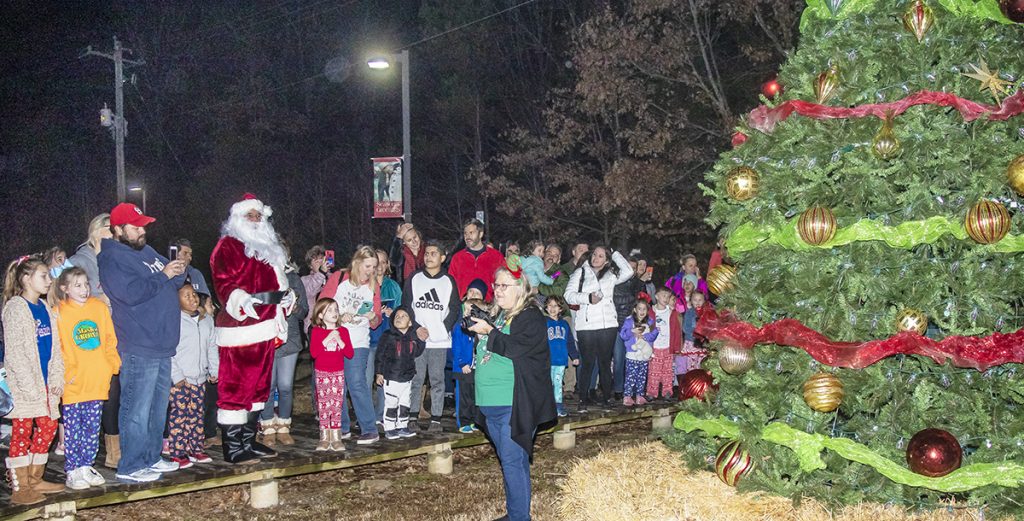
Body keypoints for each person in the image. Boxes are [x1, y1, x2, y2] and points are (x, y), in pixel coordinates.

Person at [99, 202, 188, 483]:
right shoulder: (113, 258)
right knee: (136, 408)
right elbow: (131, 293)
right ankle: (131, 465)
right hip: (139, 343)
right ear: (118, 229)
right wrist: (164, 275)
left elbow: (172, 282)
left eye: (143, 226)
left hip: (161, 344)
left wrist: (179, 269)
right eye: (135, 227)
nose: (142, 231)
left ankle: (150, 457)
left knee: (157, 407)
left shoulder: (146, 251)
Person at [209, 194, 295, 463]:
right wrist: (241, 300)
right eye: (250, 216)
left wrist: (287, 296)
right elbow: (223, 282)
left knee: (259, 388)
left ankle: (248, 440)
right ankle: (233, 447)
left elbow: (278, 281)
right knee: (237, 387)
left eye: (259, 216)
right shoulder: (228, 246)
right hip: (241, 327)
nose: (256, 221)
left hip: (267, 325)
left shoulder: (268, 247)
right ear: (238, 218)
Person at [467, 265, 557, 521]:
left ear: (521, 288)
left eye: (504, 285)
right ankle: (517, 514)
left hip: (513, 404)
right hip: (491, 403)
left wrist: (489, 332)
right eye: (496, 285)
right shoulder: (500, 315)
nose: (497, 290)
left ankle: (519, 517)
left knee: (512, 463)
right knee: (513, 463)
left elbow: (517, 349)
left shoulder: (530, 316)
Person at [2, 256, 66, 504]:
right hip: (26, 388)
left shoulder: (45, 307)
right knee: (22, 432)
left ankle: (35, 477)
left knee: (49, 426)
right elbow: (15, 354)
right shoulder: (16, 308)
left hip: (47, 385)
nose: (49, 280)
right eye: (44, 276)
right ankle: (20, 487)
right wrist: (30, 387)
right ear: (26, 278)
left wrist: (57, 377)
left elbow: (55, 349)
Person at [52, 267, 119, 490]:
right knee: (73, 428)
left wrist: (111, 365)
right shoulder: (59, 311)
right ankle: (72, 469)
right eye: (77, 285)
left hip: (97, 378)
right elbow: (57, 347)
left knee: (92, 427)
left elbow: (110, 338)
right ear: (65, 288)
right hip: (73, 382)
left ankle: (85, 466)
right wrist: (65, 373)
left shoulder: (98, 308)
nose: (84, 289)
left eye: (86, 284)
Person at [67, 213, 121, 468]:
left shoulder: (113, 257)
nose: (113, 233)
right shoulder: (79, 259)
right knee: (93, 396)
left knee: (114, 390)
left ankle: (113, 449)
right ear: (96, 231)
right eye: (109, 229)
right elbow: (61, 290)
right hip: (87, 338)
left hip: (113, 332)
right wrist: (99, 299)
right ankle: (80, 458)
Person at [320, 246, 382, 445]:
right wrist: (338, 316)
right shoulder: (339, 278)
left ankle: (370, 429)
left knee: (356, 382)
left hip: (358, 340)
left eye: (374, 267)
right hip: (335, 339)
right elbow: (322, 304)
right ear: (357, 262)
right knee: (338, 383)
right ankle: (342, 427)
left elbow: (377, 320)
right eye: (367, 266)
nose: (370, 271)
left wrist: (373, 317)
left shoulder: (373, 286)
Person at [563, 246, 633, 412]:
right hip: (586, 326)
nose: (596, 258)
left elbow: (629, 271)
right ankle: (583, 400)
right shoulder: (580, 273)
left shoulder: (611, 276)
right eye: (595, 254)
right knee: (587, 363)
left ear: (607, 260)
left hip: (607, 325)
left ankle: (606, 399)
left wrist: (615, 252)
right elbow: (568, 295)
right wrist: (588, 298)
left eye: (601, 256)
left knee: (604, 363)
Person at [402, 240, 460, 433]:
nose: (428, 257)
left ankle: (436, 419)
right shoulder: (415, 278)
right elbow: (407, 305)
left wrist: (442, 328)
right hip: (418, 339)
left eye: (433, 253)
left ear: (443, 258)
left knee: (437, 379)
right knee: (416, 378)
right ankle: (412, 416)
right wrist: (416, 327)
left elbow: (454, 309)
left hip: (439, 341)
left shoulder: (448, 281)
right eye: (426, 253)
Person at [259, 246, 308, 446]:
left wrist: (294, 306)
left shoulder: (294, 278)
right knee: (268, 386)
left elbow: (304, 311)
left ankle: (284, 426)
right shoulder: (261, 276)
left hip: (290, 339)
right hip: (267, 337)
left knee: (286, 386)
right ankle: (268, 426)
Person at [168, 284, 217, 468]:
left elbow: (211, 347)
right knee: (180, 415)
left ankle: (195, 448)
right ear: (177, 300)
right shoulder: (174, 320)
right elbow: (169, 350)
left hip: (200, 377)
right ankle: (177, 452)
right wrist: (177, 375)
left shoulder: (207, 320)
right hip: (181, 379)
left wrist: (214, 370)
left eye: (194, 294)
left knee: (197, 414)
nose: (192, 299)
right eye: (186, 296)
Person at [309, 298, 354, 451]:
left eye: (336, 309)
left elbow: (349, 353)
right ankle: (324, 436)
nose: (334, 313)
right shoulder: (317, 331)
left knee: (336, 404)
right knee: (324, 404)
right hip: (322, 374)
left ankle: (336, 436)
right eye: (330, 310)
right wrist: (327, 338)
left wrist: (339, 340)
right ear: (320, 315)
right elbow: (314, 353)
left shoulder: (343, 331)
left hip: (338, 373)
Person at [374, 306, 425, 439]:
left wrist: (422, 340)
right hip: (391, 376)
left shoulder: (412, 337)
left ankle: (402, 425)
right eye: (397, 316)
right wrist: (379, 372)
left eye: (403, 316)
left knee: (404, 403)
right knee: (391, 403)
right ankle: (390, 427)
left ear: (410, 322)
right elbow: (380, 355)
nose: (399, 318)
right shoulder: (388, 336)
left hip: (407, 377)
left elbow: (417, 352)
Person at [451, 280, 490, 433]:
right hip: (463, 369)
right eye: (467, 311)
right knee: (464, 396)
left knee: (475, 395)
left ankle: (474, 420)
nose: (468, 314)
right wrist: (461, 363)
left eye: (472, 311)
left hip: (476, 368)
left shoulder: (479, 328)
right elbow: (456, 347)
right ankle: (463, 421)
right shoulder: (460, 327)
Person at [611, 255, 646, 399]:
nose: (631, 271)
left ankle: (633, 389)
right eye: (629, 268)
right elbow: (618, 300)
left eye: (634, 268)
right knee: (619, 358)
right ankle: (619, 388)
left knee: (635, 357)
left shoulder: (638, 284)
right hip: (619, 325)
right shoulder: (617, 283)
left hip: (635, 325)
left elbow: (644, 303)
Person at [448, 219, 505, 299]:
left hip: (488, 306)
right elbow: (450, 285)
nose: (467, 237)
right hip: (464, 306)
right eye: (465, 233)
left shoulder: (496, 256)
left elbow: (504, 282)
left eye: (471, 233)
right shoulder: (457, 258)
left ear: (480, 234)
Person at [68, 213, 113, 305]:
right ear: (96, 231)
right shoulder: (77, 262)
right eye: (111, 228)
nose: (116, 232)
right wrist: (99, 299)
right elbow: (62, 294)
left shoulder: (116, 261)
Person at [620, 299, 658, 406]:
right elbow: (622, 335)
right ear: (635, 310)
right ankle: (627, 396)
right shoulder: (629, 321)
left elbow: (653, 335)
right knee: (631, 376)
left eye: (644, 309)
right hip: (632, 354)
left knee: (642, 376)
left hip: (644, 355)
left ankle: (639, 396)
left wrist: (645, 337)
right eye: (639, 309)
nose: (642, 311)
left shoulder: (650, 322)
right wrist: (632, 332)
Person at [544, 296, 578, 417]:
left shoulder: (564, 324)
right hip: (546, 361)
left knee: (558, 384)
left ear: (560, 309)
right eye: (550, 305)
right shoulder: (544, 322)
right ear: (546, 308)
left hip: (560, 361)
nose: (552, 308)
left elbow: (570, 342)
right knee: (547, 384)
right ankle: (546, 407)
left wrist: (574, 356)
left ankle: (558, 406)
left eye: (555, 306)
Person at [648, 287, 680, 402]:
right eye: (663, 296)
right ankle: (652, 392)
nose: (666, 299)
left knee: (667, 371)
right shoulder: (651, 312)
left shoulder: (671, 312)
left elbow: (676, 330)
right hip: (655, 347)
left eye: (668, 296)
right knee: (654, 371)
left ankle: (667, 391)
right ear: (656, 296)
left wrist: (676, 347)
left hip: (667, 346)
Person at [677, 291, 709, 383]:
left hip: (703, 344)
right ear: (691, 301)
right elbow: (685, 328)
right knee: (691, 365)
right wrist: (697, 333)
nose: (697, 302)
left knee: (701, 364)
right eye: (695, 300)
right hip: (692, 343)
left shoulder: (706, 313)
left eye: (700, 300)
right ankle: (691, 383)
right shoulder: (689, 313)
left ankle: (700, 384)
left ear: (704, 301)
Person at [389, 223, 425, 287]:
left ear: (418, 235)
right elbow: (394, 261)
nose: (414, 242)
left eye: (415, 237)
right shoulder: (401, 255)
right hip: (406, 292)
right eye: (409, 240)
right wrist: (399, 236)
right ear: (404, 242)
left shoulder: (427, 251)